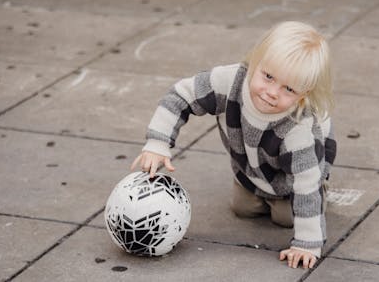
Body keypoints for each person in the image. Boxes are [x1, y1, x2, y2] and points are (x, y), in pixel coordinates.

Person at [131, 21, 337, 269]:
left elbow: (305, 184)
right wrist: (157, 143)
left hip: (293, 181)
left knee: (286, 217)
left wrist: (307, 244)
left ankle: (317, 193)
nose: (272, 92)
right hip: (249, 169)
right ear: (256, 61)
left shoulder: (298, 131)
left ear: (303, 95)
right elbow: (181, 95)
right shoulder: (230, 81)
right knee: (242, 208)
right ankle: (258, 188)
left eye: (288, 88)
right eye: (268, 76)